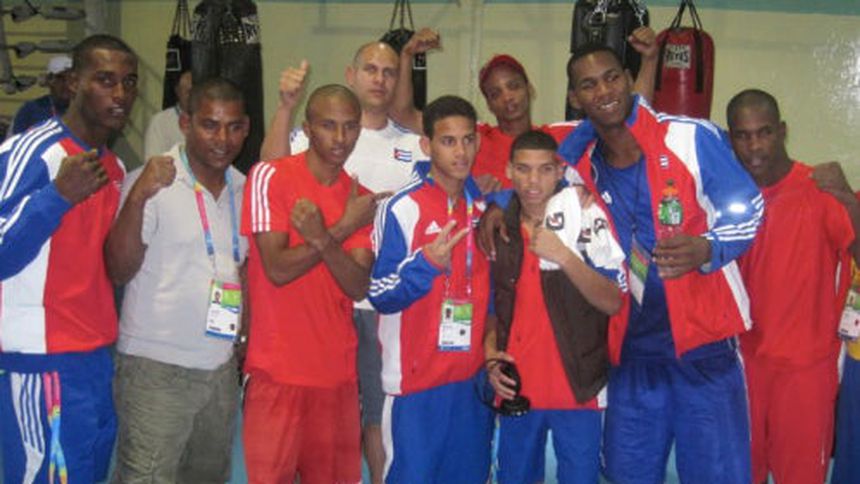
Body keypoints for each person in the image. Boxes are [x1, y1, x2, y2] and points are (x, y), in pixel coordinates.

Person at [552, 44, 762, 483]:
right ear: (575, 97)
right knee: (628, 475)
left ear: (630, 80)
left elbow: (748, 207)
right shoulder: (576, 165)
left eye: (612, 77)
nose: (604, 91)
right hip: (630, 356)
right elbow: (525, 180)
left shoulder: (689, 137)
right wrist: (495, 208)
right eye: (589, 85)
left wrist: (708, 247)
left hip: (704, 350)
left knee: (717, 476)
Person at [259, 40, 427, 484]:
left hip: (375, 301)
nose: (380, 79)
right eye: (370, 69)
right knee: (311, 420)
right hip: (313, 299)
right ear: (351, 75)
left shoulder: (415, 145)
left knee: (374, 413)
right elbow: (269, 174)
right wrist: (285, 105)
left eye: (389, 71)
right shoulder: (313, 133)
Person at [0, 34, 138, 484]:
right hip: (41, 358)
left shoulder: (114, 167)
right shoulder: (31, 152)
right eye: (105, 80)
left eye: (129, 82)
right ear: (74, 83)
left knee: (85, 473)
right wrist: (56, 196)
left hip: (94, 355)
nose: (120, 94)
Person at [105, 78, 250, 483]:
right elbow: (118, 269)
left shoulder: (243, 187)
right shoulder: (149, 182)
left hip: (219, 368)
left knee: (206, 478)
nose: (222, 139)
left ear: (246, 128)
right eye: (210, 125)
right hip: (156, 368)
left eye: (233, 127)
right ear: (186, 124)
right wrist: (138, 197)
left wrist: (243, 337)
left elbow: (241, 269)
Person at [241, 84, 381, 483]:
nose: (340, 138)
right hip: (276, 374)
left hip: (337, 379)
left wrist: (324, 235)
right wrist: (340, 229)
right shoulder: (270, 176)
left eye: (350, 127)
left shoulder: (360, 199)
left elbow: (357, 285)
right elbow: (277, 269)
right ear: (307, 128)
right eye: (328, 125)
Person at [725, 90, 860, 484]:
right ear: (730, 138)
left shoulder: (820, 191)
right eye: (743, 135)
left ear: (782, 131)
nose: (754, 147)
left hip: (806, 371)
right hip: (742, 365)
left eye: (764, 132)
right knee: (742, 474)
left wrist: (850, 202)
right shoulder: (728, 196)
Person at [485, 130, 625, 483]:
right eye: (523, 169)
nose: (533, 181)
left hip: (578, 386)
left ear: (561, 171)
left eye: (545, 169)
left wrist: (564, 256)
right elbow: (490, 309)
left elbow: (612, 301)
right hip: (518, 385)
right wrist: (491, 358)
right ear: (509, 170)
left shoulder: (587, 217)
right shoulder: (496, 229)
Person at [369, 95, 494, 483]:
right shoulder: (402, 208)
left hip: (470, 381)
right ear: (427, 145)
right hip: (416, 384)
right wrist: (425, 265)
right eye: (448, 141)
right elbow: (380, 293)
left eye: (468, 140)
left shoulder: (484, 208)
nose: (461, 152)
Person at [390, 28, 657, 192]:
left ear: (529, 89)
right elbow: (403, 114)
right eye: (496, 93)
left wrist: (649, 59)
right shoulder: (474, 138)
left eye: (513, 86)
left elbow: (629, 112)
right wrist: (407, 55)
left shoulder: (560, 136)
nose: (507, 97)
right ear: (488, 103)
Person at [9, 55, 73, 135]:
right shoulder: (30, 110)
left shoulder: (82, 110)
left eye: (71, 78)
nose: (67, 83)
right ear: (49, 80)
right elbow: (14, 140)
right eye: (61, 78)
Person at [144, 69, 192, 160]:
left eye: (196, 92)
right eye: (189, 92)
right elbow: (153, 161)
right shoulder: (160, 122)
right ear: (178, 91)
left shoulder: (205, 121)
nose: (193, 96)